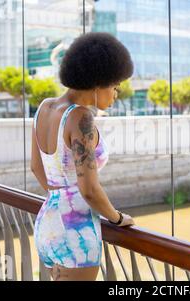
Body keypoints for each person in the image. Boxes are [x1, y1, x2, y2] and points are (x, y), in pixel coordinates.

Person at [30, 32, 135, 281]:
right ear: (99, 82)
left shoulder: (45, 107)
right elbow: (88, 188)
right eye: (115, 86)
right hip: (76, 234)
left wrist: (62, 198)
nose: (116, 94)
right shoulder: (80, 118)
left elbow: (36, 167)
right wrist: (118, 218)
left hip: (48, 225)